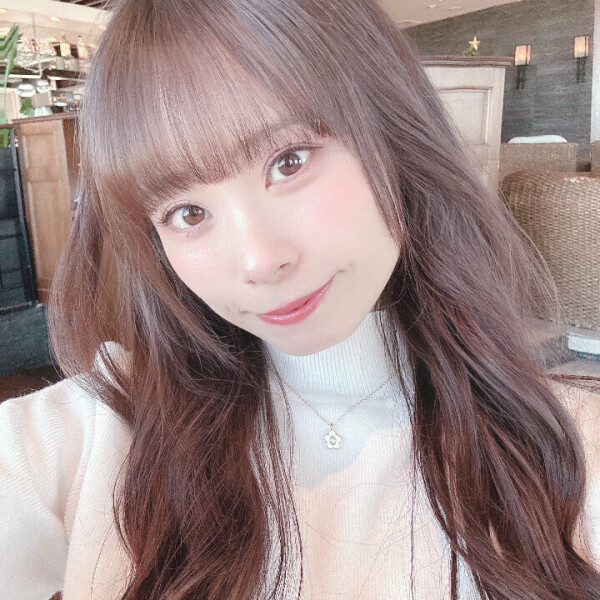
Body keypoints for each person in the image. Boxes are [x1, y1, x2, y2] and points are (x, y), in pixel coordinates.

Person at [1, 0, 599, 598]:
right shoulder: (101, 432)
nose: (259, 260)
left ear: (393, 131)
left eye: (288, 162)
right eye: (188, 213)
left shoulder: (572, 448)